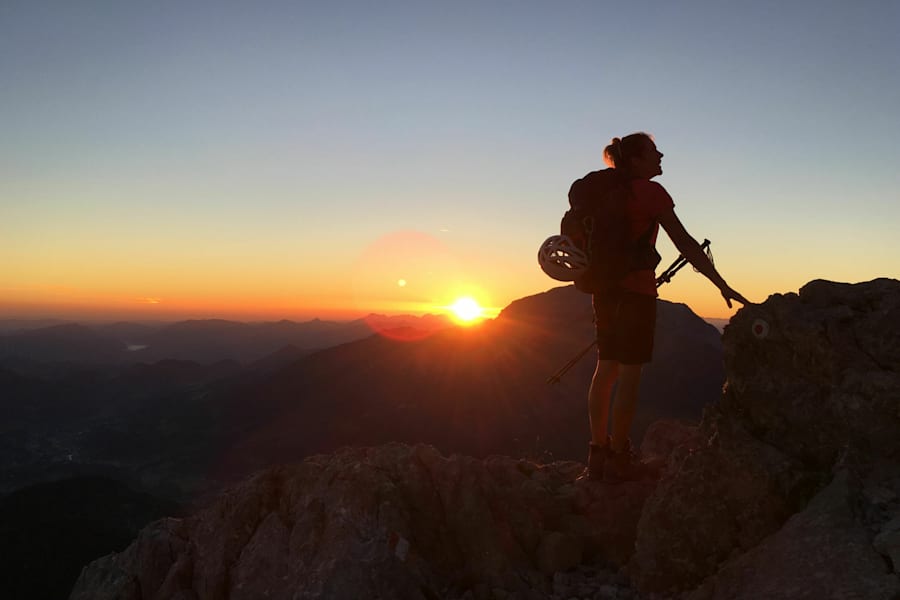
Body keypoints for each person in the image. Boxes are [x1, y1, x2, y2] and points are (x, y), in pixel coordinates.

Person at [582, 132, 749, 482]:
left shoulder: (606, 191)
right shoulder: (650, 192)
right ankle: (620, 457)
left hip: (605, 291)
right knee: (629, 374)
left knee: (605, 369)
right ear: (636, 160)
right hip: (637, 294)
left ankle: (597, 453)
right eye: (653, 152)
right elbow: (685, 242)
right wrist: (721, 284)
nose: (661, 156)